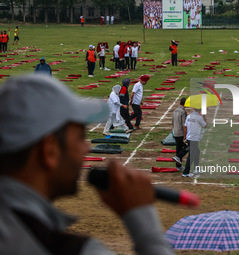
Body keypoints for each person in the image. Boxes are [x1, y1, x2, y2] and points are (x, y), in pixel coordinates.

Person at [0, 74, 174, 255]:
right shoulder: (69, 249)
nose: (87, 148)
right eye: (80, 137)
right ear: (49, 150)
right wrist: (144, 224)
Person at [182, 108, 207, 177]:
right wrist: (204, 116)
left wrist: (184, 136)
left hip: (189, 137)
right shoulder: (199, 117)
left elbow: (185, 127)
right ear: (200, 110)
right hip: (194, 138)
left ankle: (196, 168)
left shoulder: (189, 116)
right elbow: (205, 125)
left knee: (197, 152)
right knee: (192, 155)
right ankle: (186, 172)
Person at [172, 98, 188, 171]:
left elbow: (172, 121)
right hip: (181, 132)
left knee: (178, 148)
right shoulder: (183, 112)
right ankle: (178, 156)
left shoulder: (175, 110)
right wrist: (185, 134)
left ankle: (178, 166)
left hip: (175, 131)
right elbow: (184, 124)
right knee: (187, 147)